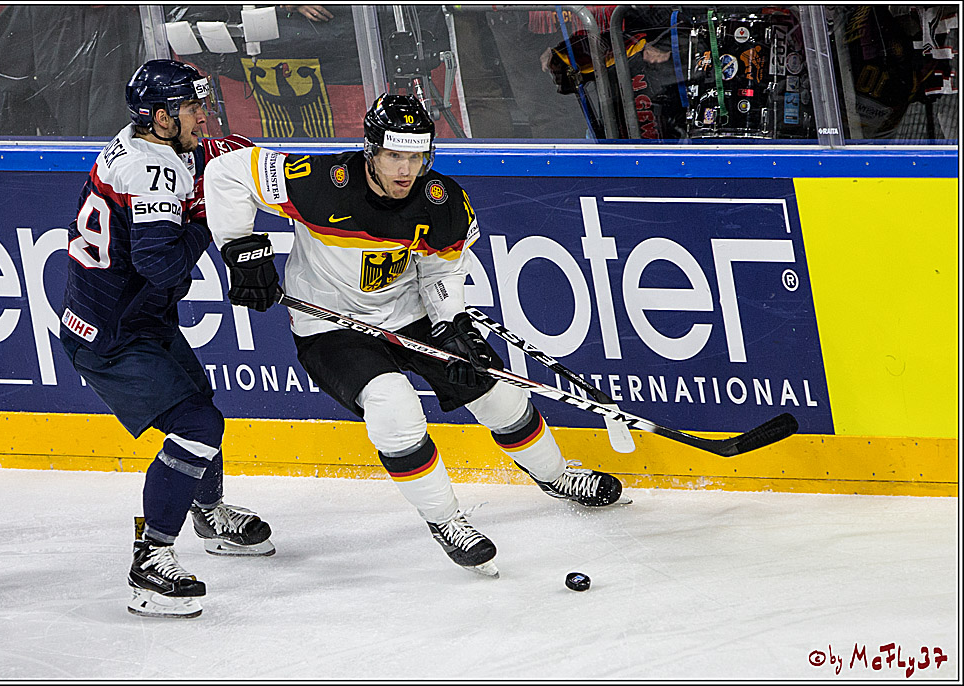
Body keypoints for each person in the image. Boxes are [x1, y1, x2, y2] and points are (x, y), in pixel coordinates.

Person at [202, 93, 628, 578]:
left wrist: (454, 321)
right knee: (394, 406)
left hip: (409, 313)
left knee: (496, 392)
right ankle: (447, 521)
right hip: (330, 326)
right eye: (394, 155)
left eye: (416, 156)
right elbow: (227, 172)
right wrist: (241, 248)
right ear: (370, 150)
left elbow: (439, 272)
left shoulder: (442, 202)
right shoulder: (318, 183)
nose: (406, 169)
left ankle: (557, 476)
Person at [58, 59, 273, 619]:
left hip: (134, 319)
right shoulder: (153, 171)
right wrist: (209, 215)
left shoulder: (148, 144)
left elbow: (191, 170)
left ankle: (209, 514)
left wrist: (212, 168)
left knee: (199, 407)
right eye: (193, 108)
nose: (203, 115)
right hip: (113, 333)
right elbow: (167, 269)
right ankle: (151, 560)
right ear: (160, 117)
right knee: (198, 426)